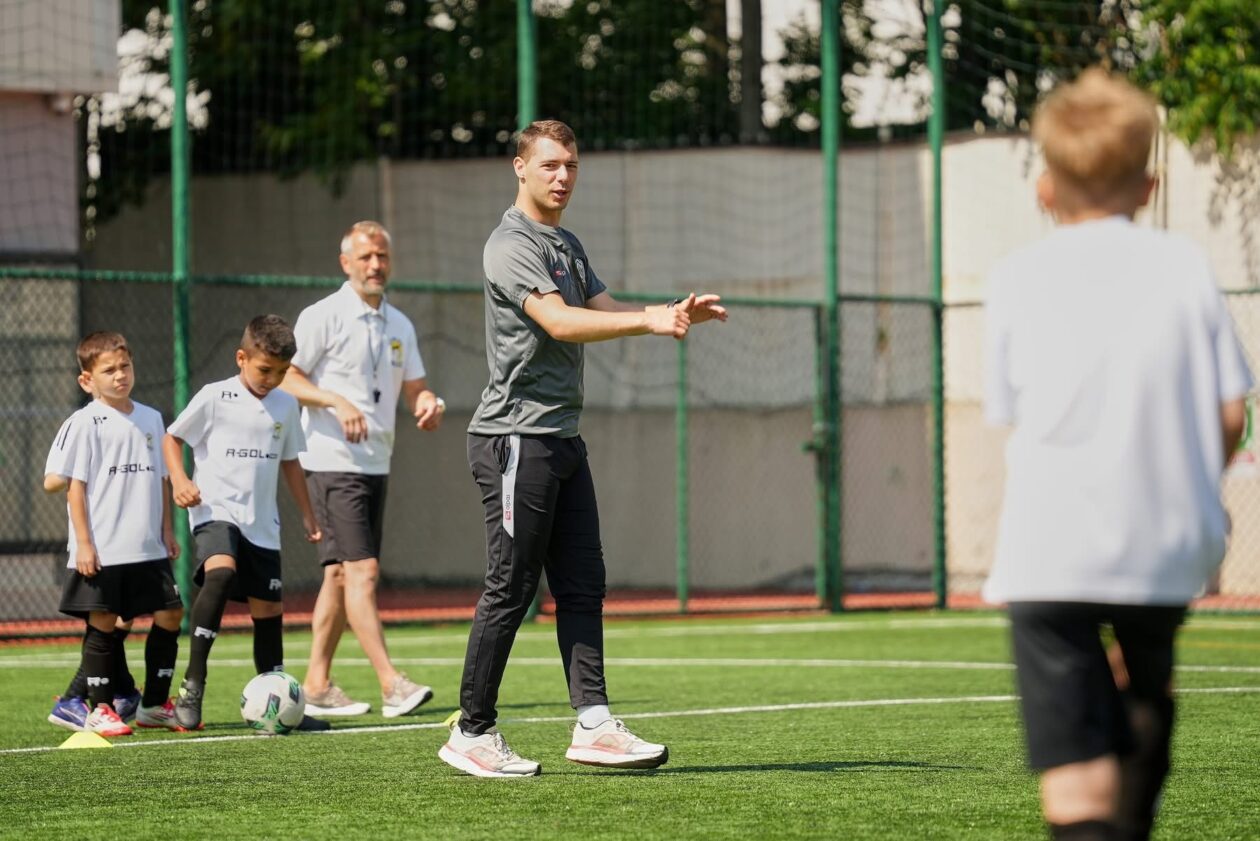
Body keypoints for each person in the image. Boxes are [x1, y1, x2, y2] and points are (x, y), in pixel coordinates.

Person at [983, 69, 1252, 841]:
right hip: (1162, 538)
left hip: (1050, 549)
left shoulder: (1015, 280)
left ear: (1044, 189)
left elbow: (1010, 415)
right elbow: (1231, 412)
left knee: (1073, 771)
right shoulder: (1185, 269)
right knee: (1145, 684)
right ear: (1149, 186)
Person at [438, 119, 727, 778]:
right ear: (520, 168)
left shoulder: (566, 242)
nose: (563, 176)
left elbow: (602, 305)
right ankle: (472, 730)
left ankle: (593, 721)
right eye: (549, 165)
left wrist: (670, 311)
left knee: (583, 583)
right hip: (513, 438)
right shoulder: (509, 244)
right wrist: (648, 320)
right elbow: (560, 320)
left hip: (561, 438)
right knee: (511, 587)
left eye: (570, 164)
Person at [281, 220, 443, 719]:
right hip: (332, 461)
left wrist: (428, 401)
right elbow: (286, 376)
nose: (376, 265)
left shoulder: (400, 325)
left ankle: (316, 684)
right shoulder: (323, 316)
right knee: (363, 571)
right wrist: (333, 401)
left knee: (337, 577)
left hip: (377, 461)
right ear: (345, 262)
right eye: (366, 257)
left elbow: (414, 385)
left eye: (382, 257)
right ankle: (391, 683)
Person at [164, 315, 326, 732]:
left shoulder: (286, 405)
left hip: (262, 523)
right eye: (264, 370)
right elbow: (172, 438)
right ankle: (192, 686)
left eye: (281, 372)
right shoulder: (215, 396)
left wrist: (307, 513)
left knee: (268, 607)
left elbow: (290, 461)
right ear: (241, 357)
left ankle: (280, 699)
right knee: (220, 573)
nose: (272, 379)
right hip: (215, 509)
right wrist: (181, 480)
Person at [44, 331, 184, 736]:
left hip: (147, 545)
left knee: (171, 613)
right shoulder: (85, 422)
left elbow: (161, 478)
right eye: (109, 370)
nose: (120, 375)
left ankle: (155, 704)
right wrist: (85, 544)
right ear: (87, 380)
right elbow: (75, 486)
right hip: (104, 546)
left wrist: (166, 531)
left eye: (125, 366)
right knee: (104, 621)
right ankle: (99, 707)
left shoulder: (151, 418)